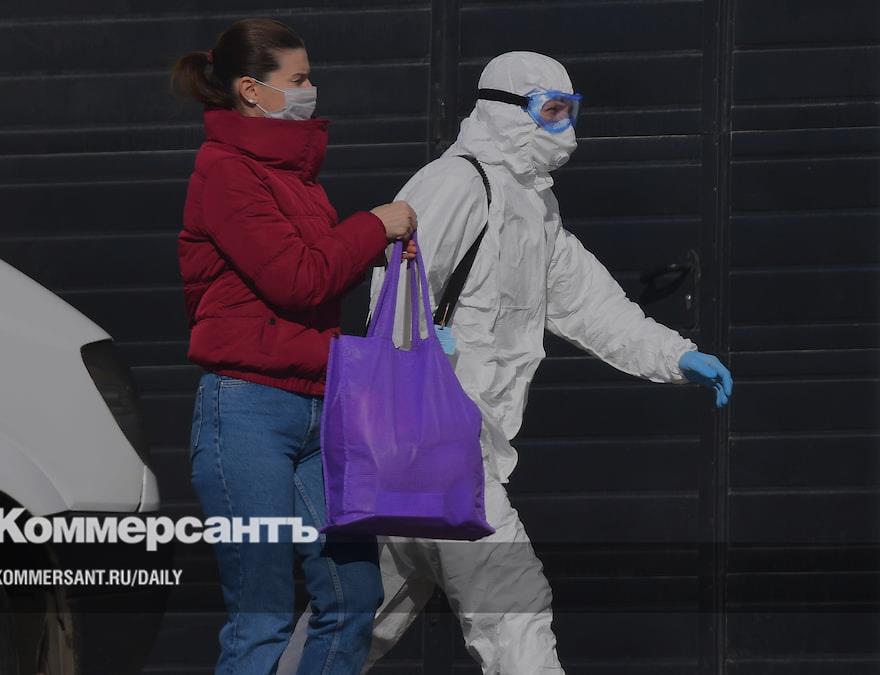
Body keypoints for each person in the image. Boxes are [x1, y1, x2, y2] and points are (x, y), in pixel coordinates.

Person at [279, 50, 733, 674]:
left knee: (354, 623)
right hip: (437, 445)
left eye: (569, 111)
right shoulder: (455, 182)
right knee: (514, 606)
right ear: (507, 110)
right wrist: (419, 353)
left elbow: (590, 304)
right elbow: (397, 284)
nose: (564, 127)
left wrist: (676, 355)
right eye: (551, 111)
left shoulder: (535, 208)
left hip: (445, 454)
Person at [172, 17, 422, 674]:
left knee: (354, 597)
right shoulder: (225, 171)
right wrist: (373, 227)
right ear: (251, 89)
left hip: (320, 403)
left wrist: (373, 248)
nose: (311, 90)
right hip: (247, 410)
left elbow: (316, 277)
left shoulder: (297, 175)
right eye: (300, 78)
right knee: (261, 615)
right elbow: (296, 277)